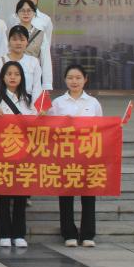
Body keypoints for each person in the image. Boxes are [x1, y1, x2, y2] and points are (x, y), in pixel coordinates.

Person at [0, 61, 38, 249]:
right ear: (3, 77)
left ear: (22, 77)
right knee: (3, 196)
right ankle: (4, 233)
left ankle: (19, 233)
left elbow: (36, 127)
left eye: (16, 74)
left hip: (24, 154)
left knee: (21, 196)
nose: (13, 77)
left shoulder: (29, 101)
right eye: (9, 74)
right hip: (1, 154)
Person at [52, 64, 102, 248]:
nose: (74, 81)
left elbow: (100, 129)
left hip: (87, 155)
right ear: (65, 80)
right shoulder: (57, 103)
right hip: (65, 155)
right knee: (66, 196)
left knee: (88, 195)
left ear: (85, 80)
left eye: (78, 78)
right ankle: (68, 233)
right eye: (70, 78)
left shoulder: (93, 103)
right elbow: (49, 129)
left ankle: (88, 234)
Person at [0, 26, 43, 102]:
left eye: (22, 40)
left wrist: (34, 107)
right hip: (6, 104)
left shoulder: (33, 61)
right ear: (9, 41)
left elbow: (37, 88)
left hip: (27, 104)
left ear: (27, 42)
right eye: (14, 39)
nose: (18, 43)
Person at [14, 0, 52, 91]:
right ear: (17, 14)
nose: (26, 13)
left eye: (29, 10)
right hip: (14, 75)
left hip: (33, 76)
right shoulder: (11, 32)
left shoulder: (40, 34)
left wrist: (46, 85)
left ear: (34, 13)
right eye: (22, 11)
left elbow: (45, 60)